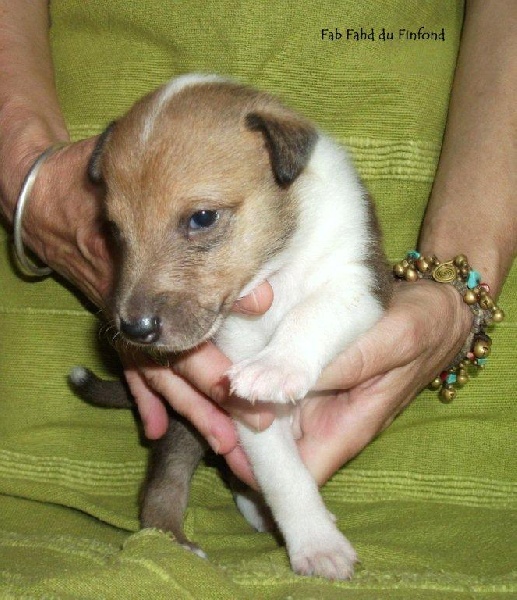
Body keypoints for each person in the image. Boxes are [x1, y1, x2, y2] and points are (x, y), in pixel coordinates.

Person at [0, 0, 515, 595]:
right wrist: (27, 175)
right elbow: (250, 405)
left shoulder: (322, 196)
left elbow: (358, 299)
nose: (133, 309)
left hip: (447, 450)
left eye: (201, 220)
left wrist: (452, 292)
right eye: (119, 231)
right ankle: (169, 509)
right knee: (195, 415)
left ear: (286, 160)